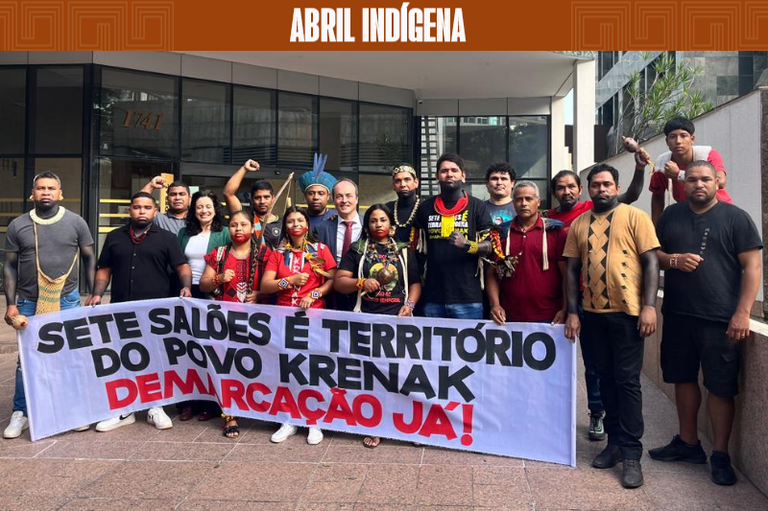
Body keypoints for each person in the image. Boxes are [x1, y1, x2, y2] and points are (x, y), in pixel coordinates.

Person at [648, 161, 762, 486]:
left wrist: (743, 313)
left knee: (720, 386)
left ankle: (721, 455)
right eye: (693, 179)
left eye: (705, 179)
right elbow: (653, 254)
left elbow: (753, 267)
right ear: (683, 183)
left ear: (717, 181)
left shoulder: (736, 218)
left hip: (720, 320)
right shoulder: (671, 215)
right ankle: (688, 443)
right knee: (682, 379)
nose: (699, 184)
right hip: (679, 315)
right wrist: (673, 261)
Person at [564, 163, 660, 489]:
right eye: (595, 185)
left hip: (628, 313)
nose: (601, 190)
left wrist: (649, 306)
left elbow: (651, 263)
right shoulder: (578, 223)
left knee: (627, 382)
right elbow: (572, 271)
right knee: (604, 379)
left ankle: (632, 453)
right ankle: (615, 444)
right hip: (591, 315)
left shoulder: (636, 218)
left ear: (616, 187)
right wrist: (573, 313)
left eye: (607, 184)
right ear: (588, 190)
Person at [546, 163, 647, 442]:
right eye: (560, 188)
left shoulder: (615, 212)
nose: (566, 191)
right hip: (574, 303)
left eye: (571, 186)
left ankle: (612, 431)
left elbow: (633, 194)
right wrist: (570, 309)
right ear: (554, 193)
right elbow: (569, 268)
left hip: (614, 306)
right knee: (584, 369)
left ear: (581, 191)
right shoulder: (554, 219)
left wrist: (638, 168)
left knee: (612, 374)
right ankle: (607, 439)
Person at [3, 172, 97, 439]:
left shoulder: (76, 222)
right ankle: (21, 412)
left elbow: (90, 258)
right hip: (28, 302)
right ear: (32, 193)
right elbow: (9, 266)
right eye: (41, 188)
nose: (46, 192)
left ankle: (71, 410)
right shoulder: (18, 225)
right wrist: (11, 305)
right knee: (27, 360)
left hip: (67, 299)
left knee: (69, 355)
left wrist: (92, 293)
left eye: (51, 188)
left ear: (60, 193)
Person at [89, 192, 192, 432]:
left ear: (155, 212)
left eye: (147, 207)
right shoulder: (114, 237)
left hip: (155, 311)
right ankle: (125, 411)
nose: (142, 211)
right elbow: (105, 269)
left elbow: (182, 265)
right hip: (120, 309)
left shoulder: (166, 238)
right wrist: (96, 293)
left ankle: (156, 406)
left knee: (155, 358)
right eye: (137, 207)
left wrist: (186, 286)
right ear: (130, 211)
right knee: (124, 357)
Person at [334, 204, 422, 448]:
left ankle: (409, 427)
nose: (379, 224)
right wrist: (360, 282)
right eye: (373, 220)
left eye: (383, 220)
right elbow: (339, 282)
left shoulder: (404, 250)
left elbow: (415, 282)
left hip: (399, 321)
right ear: (367, 225)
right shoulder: (357, 249)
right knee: (373, 378)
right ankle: (377, 425)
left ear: (390, 224)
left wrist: (411, 304)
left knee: (403, 376)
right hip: (367, 321)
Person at [261, 206, 336, 444]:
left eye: (300, 220)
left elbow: (331, 280)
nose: (295, 224)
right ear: (285, 226)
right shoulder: (277, 253)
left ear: (307, 224)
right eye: (291, 221)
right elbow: (265, 286)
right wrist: (289, 281)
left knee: (312, 368)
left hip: (313, 317)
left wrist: (314, 295)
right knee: (288, 368)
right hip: (284, 318)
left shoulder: (320, 250)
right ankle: (289, 419)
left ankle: (314, 420)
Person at [199, 209, 268, 438]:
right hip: (225, 321)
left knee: (259, 366)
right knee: (227, 367)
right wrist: (219, 278)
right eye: (234, 225)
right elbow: (204, 285)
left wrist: (258, 293)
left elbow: (274, 282)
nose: (238, 229)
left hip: (258, 321)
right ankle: (230, 416)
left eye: (243, 225)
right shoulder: (219, 253)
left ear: (252, 228)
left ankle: (266, 410)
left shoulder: (264, 254)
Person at [413, 153, 493, 320]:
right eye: (444, 171)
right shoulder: (425, 207)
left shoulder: (477, 206)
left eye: (454, 170)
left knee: (469, 347)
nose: (449, 174)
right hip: (433, 297)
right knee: (433, 347)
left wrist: (467, 245)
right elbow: (418, 251)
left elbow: (490, 247)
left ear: (463, 175)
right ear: (437, 176)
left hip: (468, 298)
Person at [175, 190, 231, 422]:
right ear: (193, 210)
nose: (204, 211)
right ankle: (188, 403)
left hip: (214, 294)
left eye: (208, 206)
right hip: (188, 293)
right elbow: (177, 262)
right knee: (188, 349)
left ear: (215, 209)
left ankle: (210, 403)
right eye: (199, 207)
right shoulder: (183, 233)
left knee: (210, 350)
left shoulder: (225, 233)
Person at [486, 181, 567, 325]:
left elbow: (566, 275)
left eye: (528, 199)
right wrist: (495, 305)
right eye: (518, 199)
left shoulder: (555, 231)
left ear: (538, 201)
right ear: (513, 202)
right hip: (508, 317)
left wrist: (566, 309)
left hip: (550, 316)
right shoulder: (501, 233)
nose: (523, 203)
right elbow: (492, 273)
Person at [649, 117, 732, 224]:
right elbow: (657, 196)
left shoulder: (708, 154)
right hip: (690, 215)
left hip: (720, 212)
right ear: (667, 141)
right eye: (673, 137)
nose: (678, 141)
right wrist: (656, 229)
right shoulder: (662, 163)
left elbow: (720, 181)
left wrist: (679, 175)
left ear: (692, 139)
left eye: (683, 136)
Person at [314, 178, 363, 311]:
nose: (344, 200)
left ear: (357, 198)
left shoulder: (369, 226)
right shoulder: (321, 228)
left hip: (363, 292)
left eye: (349, 196)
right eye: (339, 196)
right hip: (331, 293)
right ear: (334, 200)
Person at [223, 159, 281, 247]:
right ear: (252, 199)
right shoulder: (245, 215)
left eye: (266, 197)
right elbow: (228, 193)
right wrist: (244, 169)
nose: (262, 201)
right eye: (258, 197)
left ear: (273, 198)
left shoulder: (282, 223)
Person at [299, 153, 338, 229]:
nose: (316, 197)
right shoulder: (298, 218)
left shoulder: (337, 218)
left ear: (328, 196)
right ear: (305, 196)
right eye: (311, 193)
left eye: (321, 193)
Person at [385, 164, 421, 244]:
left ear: (416, 182)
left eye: (407, 180)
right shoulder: (386, 209)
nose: (403, 185)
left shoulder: (425, 207)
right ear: (393, 185)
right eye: (398, 181)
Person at [484, 161, 516, 231]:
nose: (499, 183)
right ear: (487, 183)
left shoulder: (520, 208)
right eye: (494, 179)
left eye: (504, 179)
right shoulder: (479, 208)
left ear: (512, 183)